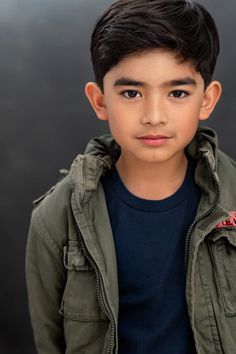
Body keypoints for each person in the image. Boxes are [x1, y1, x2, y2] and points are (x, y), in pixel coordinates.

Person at [25, 0, 236, 353]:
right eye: (131, 93)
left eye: (178, 93)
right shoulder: (55, 218)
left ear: (207, 100)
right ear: (100, 101)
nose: (154, 115)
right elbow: (51, 341)